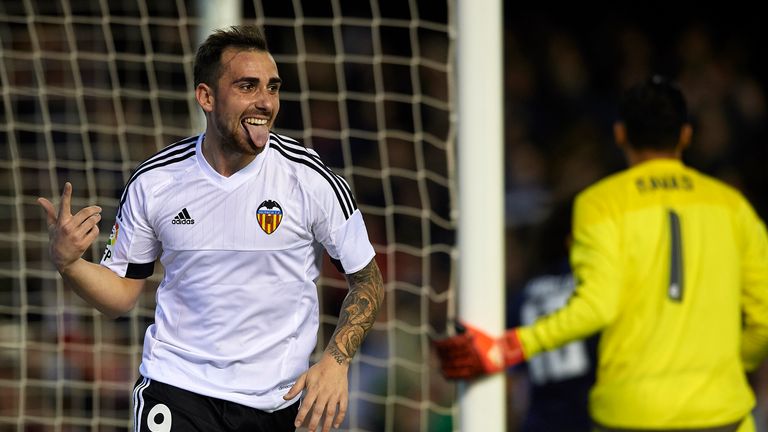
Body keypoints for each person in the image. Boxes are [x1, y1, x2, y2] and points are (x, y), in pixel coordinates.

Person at [38, 25, 384, 432]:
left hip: (277, 401)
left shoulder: (309, 178)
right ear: (206, 96)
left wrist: (336, 361)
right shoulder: (155, 181)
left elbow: (368, 281)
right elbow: (120, 296)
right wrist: (70, 264)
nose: (265, 102)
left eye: (272, 88)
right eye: (247, 86)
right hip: (177, 389)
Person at [435, 76, 768, 431]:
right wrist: (730, 365)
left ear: (620, 134)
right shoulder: (733, 208)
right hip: (723, 415)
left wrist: (510, 346)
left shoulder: (600, 204)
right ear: (685, 134)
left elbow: (596, 306)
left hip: (632, 416)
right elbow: (763, 319)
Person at [507, 198, 596, 431]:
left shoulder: (525, 293)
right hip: (590, 418)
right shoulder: (594, 288)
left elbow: (511, 378)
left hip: (540, 422)